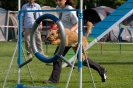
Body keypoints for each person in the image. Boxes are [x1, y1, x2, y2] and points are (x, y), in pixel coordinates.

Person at [43, 0, 106, 84]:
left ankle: (54, 80)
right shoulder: (59, 8)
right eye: (56, 1)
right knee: (82, 59)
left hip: (73, 37)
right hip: (64, 35)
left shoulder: (69, 9)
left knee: (57, 57)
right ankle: (101, 70)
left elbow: (76, 23)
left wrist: (68, 33)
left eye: (60, 1)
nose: (58, 3)